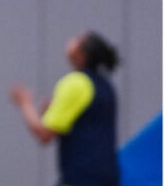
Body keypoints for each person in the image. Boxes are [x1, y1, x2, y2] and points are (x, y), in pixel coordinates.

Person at [10, 31, 120, 186]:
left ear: (81, 54)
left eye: (76, 40)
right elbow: (86, 121)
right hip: (108, 177)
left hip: (80, 178)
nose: (70, 41)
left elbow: (44, 134)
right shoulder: (106, 86)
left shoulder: (75, 83)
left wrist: (25, 103)